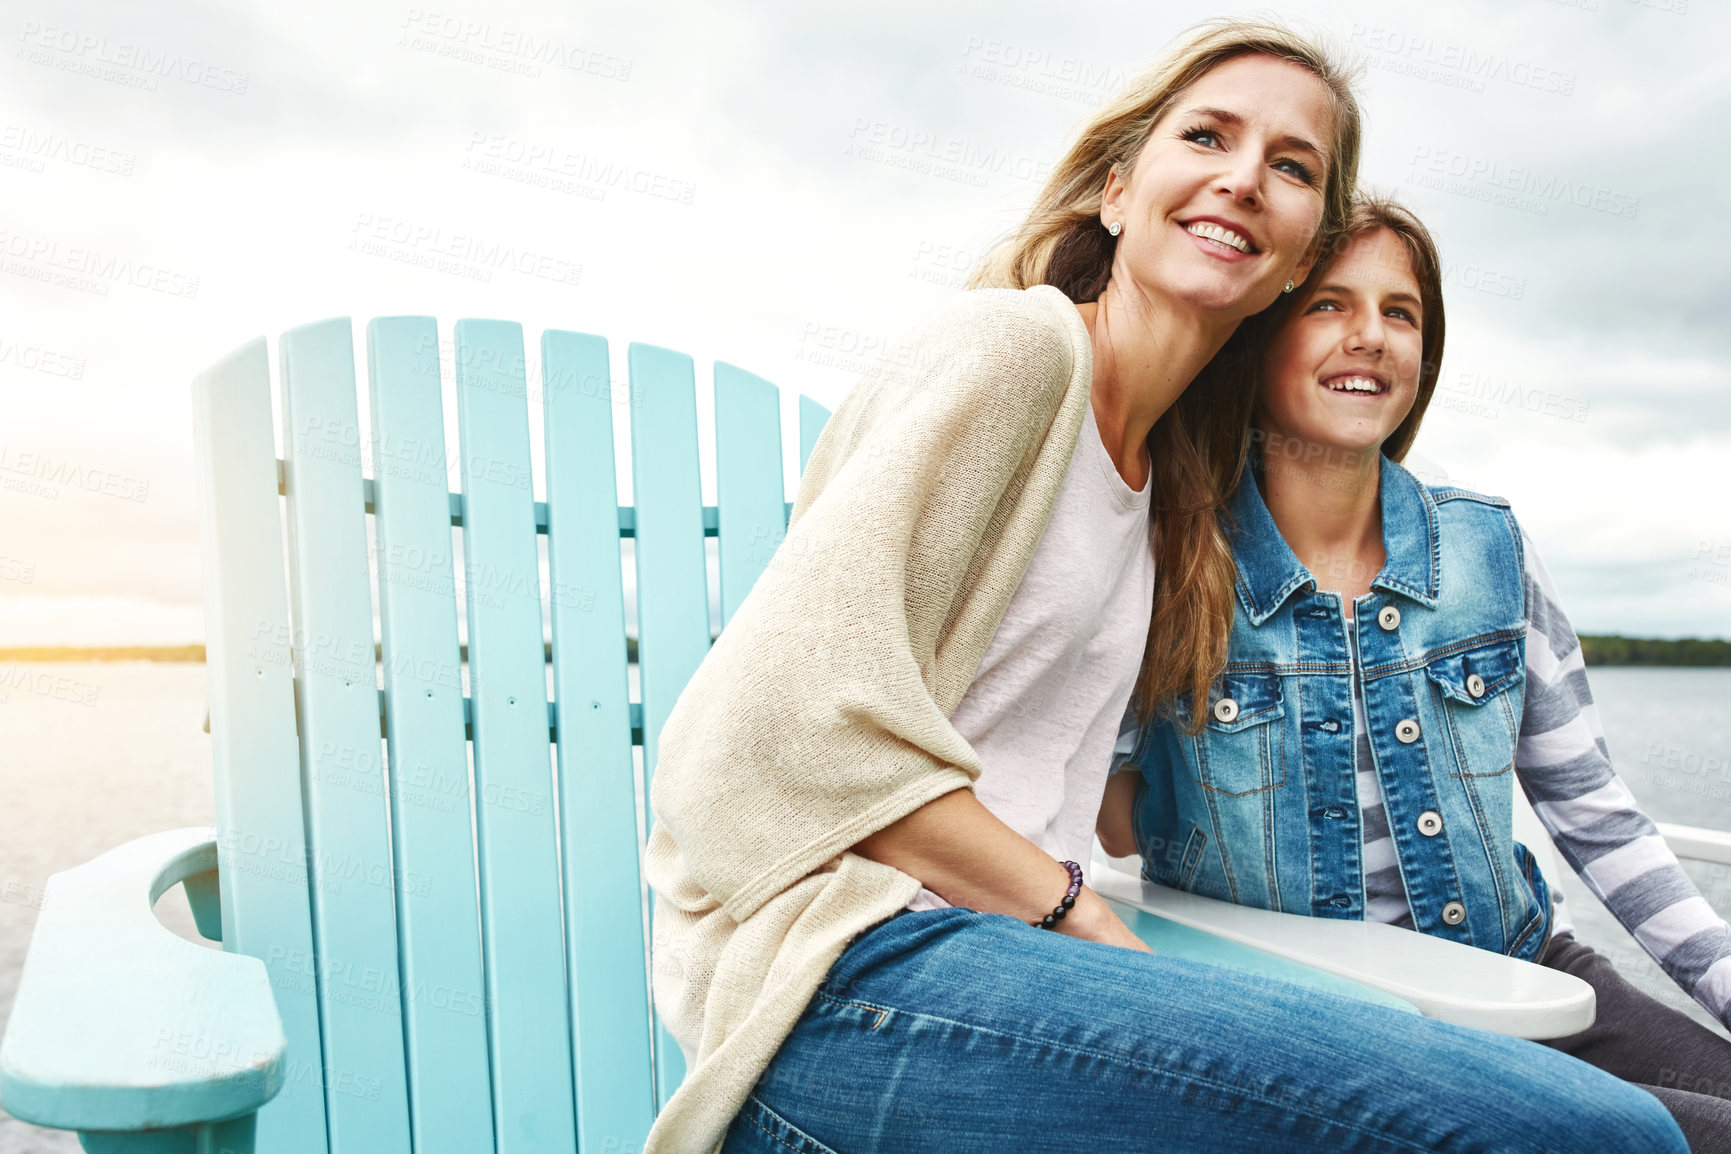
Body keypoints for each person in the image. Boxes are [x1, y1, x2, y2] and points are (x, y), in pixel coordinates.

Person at [641, 18, 1689, 1154]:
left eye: (1291, 167)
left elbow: (1120, 786)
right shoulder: (1015, 353)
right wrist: (1074, 905)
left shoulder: (1164, 488)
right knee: (1606, 1136)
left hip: (1011, 967)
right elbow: (755, 737)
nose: (1245, 177)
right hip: (848, 972)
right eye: (1208, 135)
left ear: (1295, 254)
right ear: (1115, 188)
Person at [1098, 194, 1731, 1151]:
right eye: (1327, 305)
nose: (1371, 337)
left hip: (1524, 974)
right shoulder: (1167, 564)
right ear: (1259, 334)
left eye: (1401, 313)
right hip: (1324, 1031)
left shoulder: (1488, 548)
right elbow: (1109, 819)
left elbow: (1598, 820)